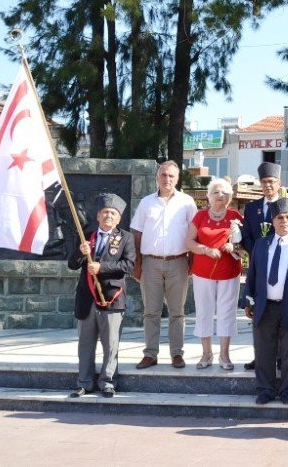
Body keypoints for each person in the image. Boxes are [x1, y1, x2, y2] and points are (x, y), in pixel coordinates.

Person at [243, 197, 288, 405]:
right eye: (280, 217)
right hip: (266, 306)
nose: (284, 221)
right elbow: (253, 274)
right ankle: (265, 388)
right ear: (272, 221)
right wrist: (248, 301)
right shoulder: (261, 244)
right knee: (264, 349)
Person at [131, 160, 197, 369]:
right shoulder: (146, 203)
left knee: (177, 312)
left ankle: (177, 353)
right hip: (150, 263)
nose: (167, 179)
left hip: (178, 262)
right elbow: (137, 234)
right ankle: (150, 353)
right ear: (157, 177)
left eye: (171, 176)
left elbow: (195, 233)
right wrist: (138, 264)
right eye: (163, 175)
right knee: (151, 311)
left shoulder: (187, 202)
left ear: (177, 179)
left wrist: (192, 263)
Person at [69, 193, 136, 398]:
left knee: (110, 344)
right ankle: (85, 382)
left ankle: (108, 382)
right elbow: (72, 264)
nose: (108, 215)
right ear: (98, 215)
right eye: (105, 212)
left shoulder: (126, 237)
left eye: (113, 213)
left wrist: (102, 267)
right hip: (87, 298)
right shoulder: (86, 236)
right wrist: (81, 253)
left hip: (111, 297)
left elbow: (128, 265)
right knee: (86, 343)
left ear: (119, 218)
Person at [241, 161, 288, 371]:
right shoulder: (252, 208)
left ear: (279, 183)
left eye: (272, 181)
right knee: (261, 317)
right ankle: (261, 357)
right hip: (261, 268)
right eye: (265, 182)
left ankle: (283, 359)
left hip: (286, 265)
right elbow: (247, 235)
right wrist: (259, 251)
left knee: (285, 321)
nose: (268, 185)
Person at [185, 177, 242, 371]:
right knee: (204, 311)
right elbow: (189, 242)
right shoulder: (200, 216)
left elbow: (243, 244)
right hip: (203, 272)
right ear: (208, 196)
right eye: (216, 192)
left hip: (229, 271)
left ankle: (224, 355)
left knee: (227, 312)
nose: (220, 196)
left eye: (225, 192)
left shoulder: (235, 216)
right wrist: (206, 250)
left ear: (230, 197)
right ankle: (206, 353)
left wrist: (233, 246)